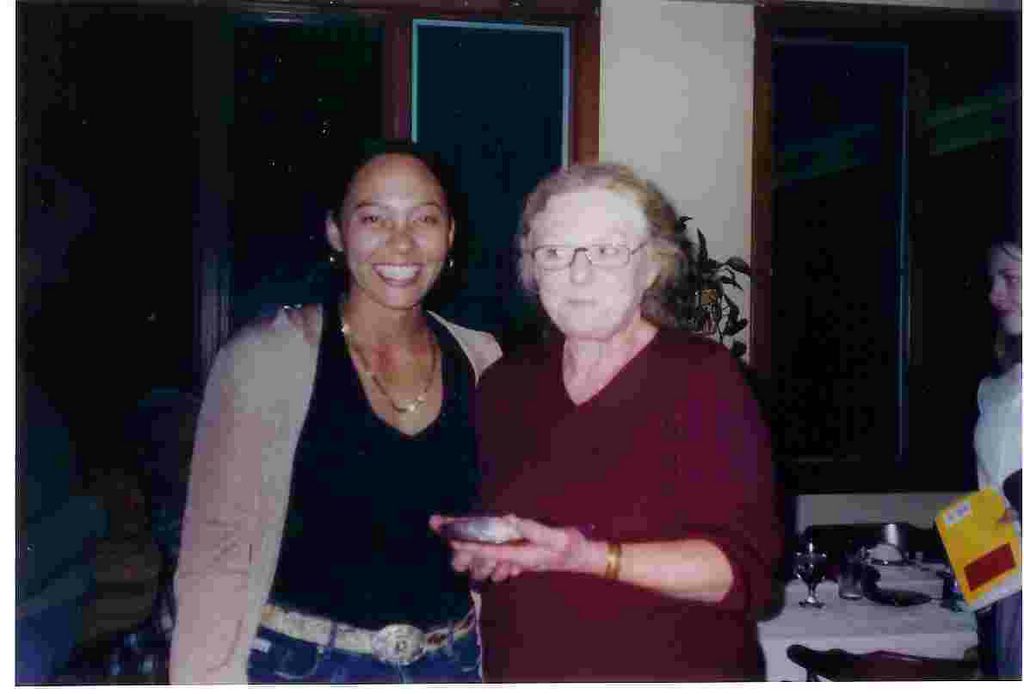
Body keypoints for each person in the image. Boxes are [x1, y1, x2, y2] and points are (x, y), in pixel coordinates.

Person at [432, 162, 781, 681]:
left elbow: (746, 576)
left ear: (652, 266)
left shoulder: (704, 378)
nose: (578, 274)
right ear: (532, 269)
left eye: (607, 251)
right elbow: (505, 542)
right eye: (554, 253)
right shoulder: (506, 384)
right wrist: (484, 557)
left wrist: (589, 557)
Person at [169, 142, 502, 684]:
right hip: (303, 669)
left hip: (453, 665)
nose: (401, 241)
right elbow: (216, 551)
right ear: (335, 232)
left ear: (450, 234)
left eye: (424, 218)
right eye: (374, 218)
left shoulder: (483, 360)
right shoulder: (269, 358)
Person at [974, 235, 1022, 680]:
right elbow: (992, 497)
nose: (994, 295)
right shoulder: (995, 389)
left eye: (1010, 278)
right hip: (1008, 587)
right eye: (992, 281)